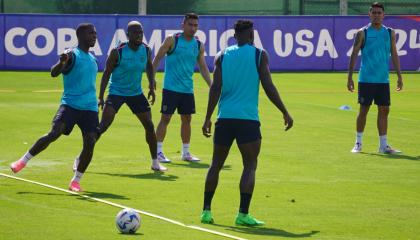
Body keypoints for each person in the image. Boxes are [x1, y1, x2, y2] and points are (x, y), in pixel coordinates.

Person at [200, 20, 293, 226]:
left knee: (216, 164)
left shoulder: (222, 56)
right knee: (250, 165)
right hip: (248, 120)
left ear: (235, 35)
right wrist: (284, 111)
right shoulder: (260, 54)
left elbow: (215, 88)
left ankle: (206, 211)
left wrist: (207, 117)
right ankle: (242, 214)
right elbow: (268, 85)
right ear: (252, 35)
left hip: (224, 118)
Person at [10, 23, 99, 192]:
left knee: (90, 142)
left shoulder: (93, 59)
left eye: (95, 33)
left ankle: (76, 181)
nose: (94, 36)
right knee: (54, 133)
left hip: (90, 108)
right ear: (80, 36)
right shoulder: (72, 55)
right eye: (91, 33)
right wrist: (61, 62)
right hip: (70, 105)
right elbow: (54, 72)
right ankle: (22, 161)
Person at [91, 21, 166, 172]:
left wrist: (151, 86)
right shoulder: (117, 51)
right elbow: (106, 73)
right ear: (128, 35)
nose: (139, 35)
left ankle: (155, 162)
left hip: (135, 93)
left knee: (149, 126)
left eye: (141, 32)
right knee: (103, 126)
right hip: (116, 92)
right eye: (135, 32)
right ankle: (81, 157)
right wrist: (100, 96)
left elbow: (149, 66)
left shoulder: (145, 49)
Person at [152, 13, 212, 163]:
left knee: (187, 119)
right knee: (165, 118)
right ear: (183, 25)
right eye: (190, 25)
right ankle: (158, 151)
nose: (193, 28)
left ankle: (186, 153)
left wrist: (212, 85)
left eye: (195, 25)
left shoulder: (198, 45)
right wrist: (151, 78)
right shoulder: (173, 40)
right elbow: (158, 57)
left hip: (187, 89)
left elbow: (203, 67)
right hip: (171, 88)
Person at [347, 2, 403, 154]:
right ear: (369, 14)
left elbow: (394, 53)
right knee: (363, 110)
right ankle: (358, 143)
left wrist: (399, 75)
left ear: (384, 15)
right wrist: (350, 77)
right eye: (374, 13)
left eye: (379, 13)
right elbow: (354, 54)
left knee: (384, 110)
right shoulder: (362, 32)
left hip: (383, 79)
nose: (377, 15)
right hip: (366, 79)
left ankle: (383, 145)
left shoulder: (390, 33)